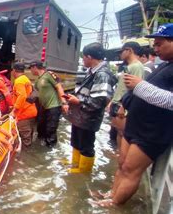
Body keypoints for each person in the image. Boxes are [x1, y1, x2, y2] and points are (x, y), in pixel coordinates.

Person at [95, 24, 173, 206]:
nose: (155, 48)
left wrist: (139, 85)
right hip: (136, 124)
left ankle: (114, 205)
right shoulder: (165, 65)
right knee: (122, 163)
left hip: (152, 131)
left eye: (160, 44)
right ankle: (112, 194)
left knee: (131, 169)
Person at [65, 42, 116, 173]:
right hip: (80, 117)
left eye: (83, 57)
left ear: (89, 57)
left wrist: (78, 101)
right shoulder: (92, 72)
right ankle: (75, 164)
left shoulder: (102, 75)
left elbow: (99, 101)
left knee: (86, 146)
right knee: (76, 142)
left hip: (88, 118)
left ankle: (83, 173)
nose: (83, 60)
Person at [108, 42, 145, 146]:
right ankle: (118, 156)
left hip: (123, 105)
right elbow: (122, 88)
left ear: (129, 51)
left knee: (122, 134)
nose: (120, 55)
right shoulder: (130, 66)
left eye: (121, 52)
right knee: (118, 133)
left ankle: (121, 158)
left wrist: (123, 107)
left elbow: (135, 89)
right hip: (118, 103)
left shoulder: (136, 66)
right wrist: (112, 102)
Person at [29, 60, 68, 147]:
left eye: (30, 69)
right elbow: (34, 94)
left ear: (34, 67)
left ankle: (50, 150)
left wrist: (64, 102)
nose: (30, 71)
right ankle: (40, 150)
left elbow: (59, 87)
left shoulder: (49, 74)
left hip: (54, 107)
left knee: (50, 130)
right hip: (44, 108)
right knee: (40, 128)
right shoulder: (38, 80)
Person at [11, 63, 38, 147]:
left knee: (25, 139)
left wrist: (14, 110)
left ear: (14, 70)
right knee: (29, 136)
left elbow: (22, 96)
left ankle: (25, 157)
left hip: (24, 114)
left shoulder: (19, 81)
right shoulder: (26, 79)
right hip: (31, 111)